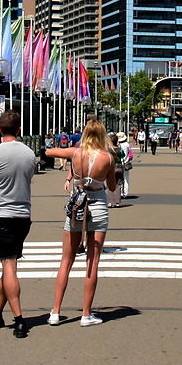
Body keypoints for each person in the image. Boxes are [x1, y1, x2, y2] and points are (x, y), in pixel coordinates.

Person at [45, 118, 118, 326]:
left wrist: (67, 157)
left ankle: (55, 312)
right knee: (92, 262)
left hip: (76, 206)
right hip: (97, 206)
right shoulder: (108, 158)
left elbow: (49, 152)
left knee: (66, 260)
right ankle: (86, 314)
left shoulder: (76, 153)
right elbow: (112, 187)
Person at [0, 110, 35, 338]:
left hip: (2, 213)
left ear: (0, 129)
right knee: (8, 263)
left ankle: (19, 320)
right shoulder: (29, 153)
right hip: (23, 214)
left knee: (9, 265)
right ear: (19, 129)